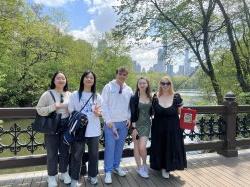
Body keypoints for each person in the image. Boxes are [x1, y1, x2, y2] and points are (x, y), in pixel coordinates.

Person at [36, 71, 71, 187]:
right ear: (54, 80)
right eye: (58, 78)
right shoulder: (47, 94)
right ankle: (51, 176)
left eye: (63, 78)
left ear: (65, 81)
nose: (61, 80)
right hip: (52, 125)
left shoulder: (69, 94)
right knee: (52, 152)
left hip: (66, 125)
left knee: (65, 151)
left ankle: (64, 172)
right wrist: (53, 107)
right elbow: (39, 109)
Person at [68, 70, 102, 186]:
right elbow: (70, 110)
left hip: (94, 130)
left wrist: (98, 113)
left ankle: (92, 176)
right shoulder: (75, 95)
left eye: (91, 78)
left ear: (94, 81)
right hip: (79, 130)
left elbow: (101, 111)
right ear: (83, 79)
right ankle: (74, 178)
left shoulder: (97, 96)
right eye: (87, 77)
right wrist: (81, 116)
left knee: (94, 155)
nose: (89, 79)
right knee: (76, 155)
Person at [150, 76, 187, 179]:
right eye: (163, 83)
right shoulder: (155, 97)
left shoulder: (176, 96)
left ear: (171, 84)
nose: (165, 85)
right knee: (160, 146)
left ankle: (168, 167)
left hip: (173, 127)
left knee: (171, 147)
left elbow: (182, 113)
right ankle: (161, 167)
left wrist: (191, 119)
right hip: (158, 127)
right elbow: (149, 111)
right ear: (160, 84)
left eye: (168, 83)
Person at [101, 67, 133, 184]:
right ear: (116, 74)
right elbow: (103, 104)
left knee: (120, 147)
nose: (122, 76)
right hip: (111, 123)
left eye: (124, 74)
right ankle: (108, 171)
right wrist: (107, 120)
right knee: (110, 147)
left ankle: (116, 166)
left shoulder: (128, 89)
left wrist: (129, 117)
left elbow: (130, 106)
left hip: (124, 123)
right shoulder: (108, 87)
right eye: (120, 74)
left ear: (126, 76)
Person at [130, 77, 152, 178]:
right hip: (136, 125)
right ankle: (139, 168)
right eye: (140, 83)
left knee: (142, 147)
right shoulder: (134, 98)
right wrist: (133, 128)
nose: (142, 85)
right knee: (136, 146)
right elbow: (132, 113)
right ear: (138, 85)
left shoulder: (151, 97)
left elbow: (153, 111)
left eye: (144, 83)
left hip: (146, 125)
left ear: (147, 85)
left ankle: (144, 164)